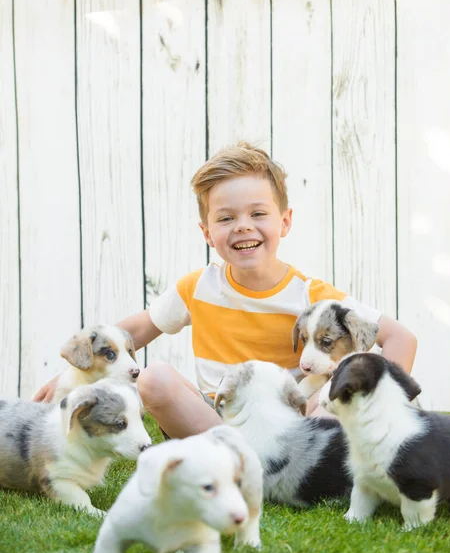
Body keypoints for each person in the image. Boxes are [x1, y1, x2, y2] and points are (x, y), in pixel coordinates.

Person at [34, 142, 417, 439]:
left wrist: (384, 402)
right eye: (226, 218)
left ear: (284, 222)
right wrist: (78, 368)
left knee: (331, 393)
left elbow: (400, 337)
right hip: (216, 423)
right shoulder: (198, 287)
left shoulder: (312, 296)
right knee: (153, 379)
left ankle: (294, 460)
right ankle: (236, 460)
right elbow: (131, 333)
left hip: (291, 424)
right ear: (207, 233)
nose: (243, 226)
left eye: (258, 214)